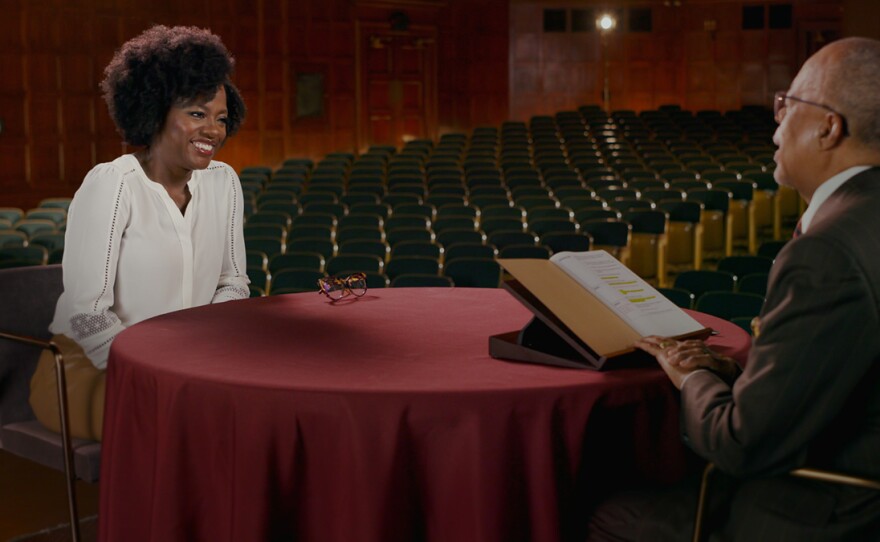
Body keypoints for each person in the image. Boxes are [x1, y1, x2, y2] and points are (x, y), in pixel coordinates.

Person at [588, 36, 880, 540]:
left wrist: (688, 378)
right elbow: (838, 368)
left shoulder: (826, 253)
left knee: (606, 512)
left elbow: (739, 444)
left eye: (788, 105)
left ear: (829, 127)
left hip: (823, 511)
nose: (776, 122)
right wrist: (727, 368)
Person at [29, 25, 250, 442]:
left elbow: (233, 282)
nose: (214, 131)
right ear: (155, 111)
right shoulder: (113, 184)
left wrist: (206, 346)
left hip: (187, 366)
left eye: (221, 118)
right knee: (185, 423)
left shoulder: (225, 183)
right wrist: (155, 366)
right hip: (85, 369)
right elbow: (88, 312)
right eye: (197, 114)